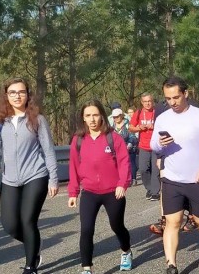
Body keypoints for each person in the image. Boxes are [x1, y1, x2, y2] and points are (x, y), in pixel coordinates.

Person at [0, 77, 58, 274]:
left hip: (36, 175)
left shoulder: (37, 119)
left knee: (28, 221)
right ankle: (34, 246)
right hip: (9, 179)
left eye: (21, 92)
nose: (17, 96)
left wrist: (53, 178)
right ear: (6, 96)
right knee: (10, 226)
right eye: (13, 93)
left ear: (28, 95)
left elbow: (48, 150)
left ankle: (30, 266)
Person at [150, 76, 199, 274]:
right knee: (172, 222)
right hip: (171, 178)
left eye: (176, 97)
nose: (172, 102)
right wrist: (160, 144)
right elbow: (153, 145)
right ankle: (171, 265)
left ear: (185, 94)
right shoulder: (162, 118)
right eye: (168, 99)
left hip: (197, 178)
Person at [68, 100, 133, 273]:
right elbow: (73, 167)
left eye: (95, 115)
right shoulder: (78, 140)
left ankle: (126, 251)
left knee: (116, 226)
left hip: (113, 192)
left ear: (102, 116)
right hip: (89, 192)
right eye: (88, 115)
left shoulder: (113, 137)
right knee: (86, 229)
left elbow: (124, 162)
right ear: (83, 118)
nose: (92, 119)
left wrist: (122, 184)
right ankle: (86, 267)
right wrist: (73, 192)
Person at [129, 93, 160, 201]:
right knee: (143, 169)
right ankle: (149, 189)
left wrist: (154, 126)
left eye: (149, 101)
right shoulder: (138, 113)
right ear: (142, 102)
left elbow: (165, 125)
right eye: (145, 101)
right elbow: (131, 128)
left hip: (156, 146)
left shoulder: (157, 112)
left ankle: (155, 192)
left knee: (155, 170)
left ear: (153, 101)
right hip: (143, 146)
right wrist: (139, 128)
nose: (147, 103)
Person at [112, 108, 139, 185]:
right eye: (114, 117)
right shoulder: (111, 126)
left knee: (131, 163)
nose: (116, 118)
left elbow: (133, 136)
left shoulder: (128, 124)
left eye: (117, 116)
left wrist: (129, 144)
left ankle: (133, 179)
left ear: (121, 116)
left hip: (129, 148)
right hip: (117, 149)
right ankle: (122, 179)